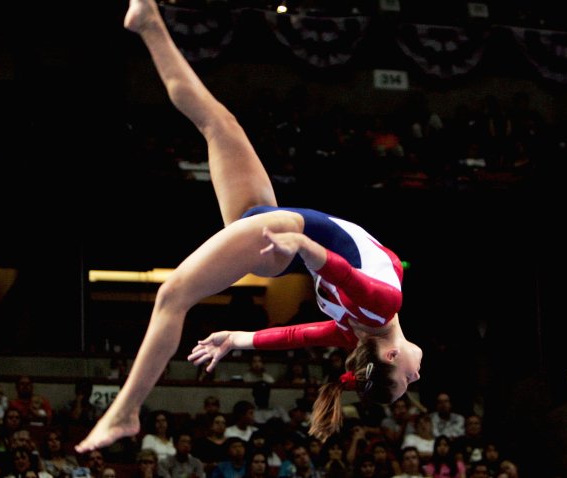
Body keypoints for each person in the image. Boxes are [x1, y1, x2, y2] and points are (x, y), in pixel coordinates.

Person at [74, 0, 422, 453]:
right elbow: (296, 334)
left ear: (391, 357)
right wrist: (235, 339)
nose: (417, 376)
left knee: (172, 296)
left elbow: (337, 275)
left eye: (406, 381)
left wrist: (300, 243)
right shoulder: (357, 328)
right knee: (218, 122)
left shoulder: (380, 309)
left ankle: (124, 413)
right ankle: (149, 23)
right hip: (278, 229)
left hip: (282, 235)